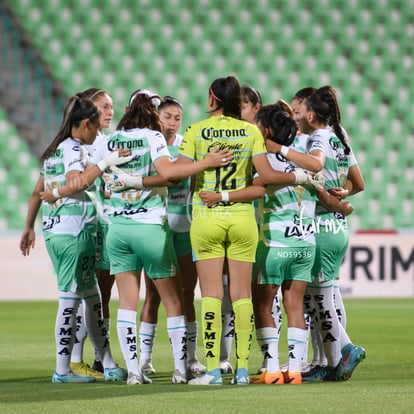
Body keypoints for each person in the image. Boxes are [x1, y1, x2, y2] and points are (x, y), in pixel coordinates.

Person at [173, 76, 319, 386]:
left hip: (207, 216)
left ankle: (213, 371)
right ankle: (241, 370)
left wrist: (204, 165)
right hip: (242, 220)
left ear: (212, 98)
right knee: (241, 297)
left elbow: (173, 173)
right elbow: (265, 177)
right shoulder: (251, 132)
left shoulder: (196, 131)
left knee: (211, 295)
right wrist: (300, 177)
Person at [95, 88, 233, 385]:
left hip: (118, 230)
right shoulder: (152, 137)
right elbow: (170, 175)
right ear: (152, 113)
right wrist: (206, 162)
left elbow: (101, 181)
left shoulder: (109, 140)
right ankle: (181, 369)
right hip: (150, 227)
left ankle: (134, 371)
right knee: (173, 300)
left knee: (127, 303)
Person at [20, 96, 131, 383]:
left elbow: (38, 190)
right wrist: (104, 161)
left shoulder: (54, 149)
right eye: (94, 128)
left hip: (57, 229)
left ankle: (107, 363)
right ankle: (62, 370)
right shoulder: (72, 149)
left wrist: (28, 226)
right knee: (70, 301)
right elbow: (75, 183)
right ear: (84, 124)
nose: (96, 134)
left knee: (92, 300)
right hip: (73, 231)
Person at [266, 87, 365, 382]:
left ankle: (343, 351)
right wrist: (344, 194)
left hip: (321, 224)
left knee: (318, 299)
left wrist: (280, 150)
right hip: (337, 226)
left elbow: (315, 173)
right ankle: (325, 361)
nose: (295, 118)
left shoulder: (316, 138)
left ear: (310, 114)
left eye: (297, 112)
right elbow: (358, 182)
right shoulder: (340, 133)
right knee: (328, 295)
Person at [137, 95, 206, 376]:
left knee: (187, 294)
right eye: (167, 117)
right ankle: (145, 359)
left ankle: (190, 358)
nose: (173, 123)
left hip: (185, 228)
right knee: (152, 297)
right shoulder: (149, 146)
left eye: (178, 118)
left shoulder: (185, 148)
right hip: (157, 227)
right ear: (157, 117)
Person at [68, 88, 117, 378]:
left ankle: (100, 358)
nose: (109, 112)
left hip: (105, 225)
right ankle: (75, 358)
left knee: (101, 294)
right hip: (86, 225)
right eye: (103, 107)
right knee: (86, 292)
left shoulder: (106, 142)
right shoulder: (80, 146)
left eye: (111, 107)